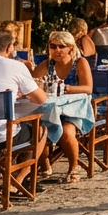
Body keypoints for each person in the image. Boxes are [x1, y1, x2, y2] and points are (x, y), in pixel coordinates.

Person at [0, 29, 47, 197]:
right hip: (2, 136)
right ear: (9, 48)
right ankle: (15, 181)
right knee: (40, 130)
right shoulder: (16, 66)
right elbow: (40, 99)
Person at [29, 30, 92, 183]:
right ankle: (44, 165)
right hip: (52, 108)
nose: (56, 50)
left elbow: (88, 88)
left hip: (74, 109)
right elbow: (32, 83)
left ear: (70, 48)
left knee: (66, 132)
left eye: (61, 47)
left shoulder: (80, 63)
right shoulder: (47, 64)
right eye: (53, 46)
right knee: (37, 129)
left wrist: (66, 88)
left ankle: (72, 168)